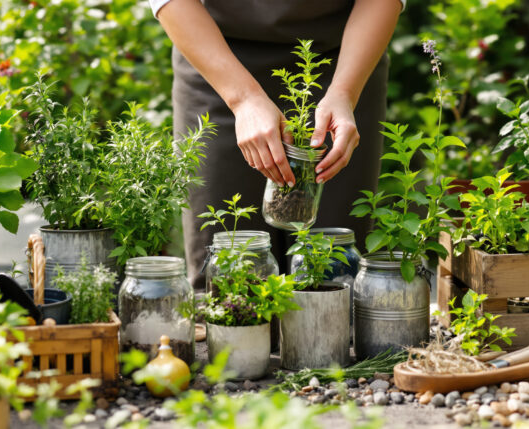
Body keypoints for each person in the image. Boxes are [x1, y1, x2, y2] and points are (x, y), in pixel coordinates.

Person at [150, 0, 404, 290]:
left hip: (342, 60)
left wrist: (345, 92)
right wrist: (243, 99)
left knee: (335, 276)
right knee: (229, 278)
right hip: (215, 56)